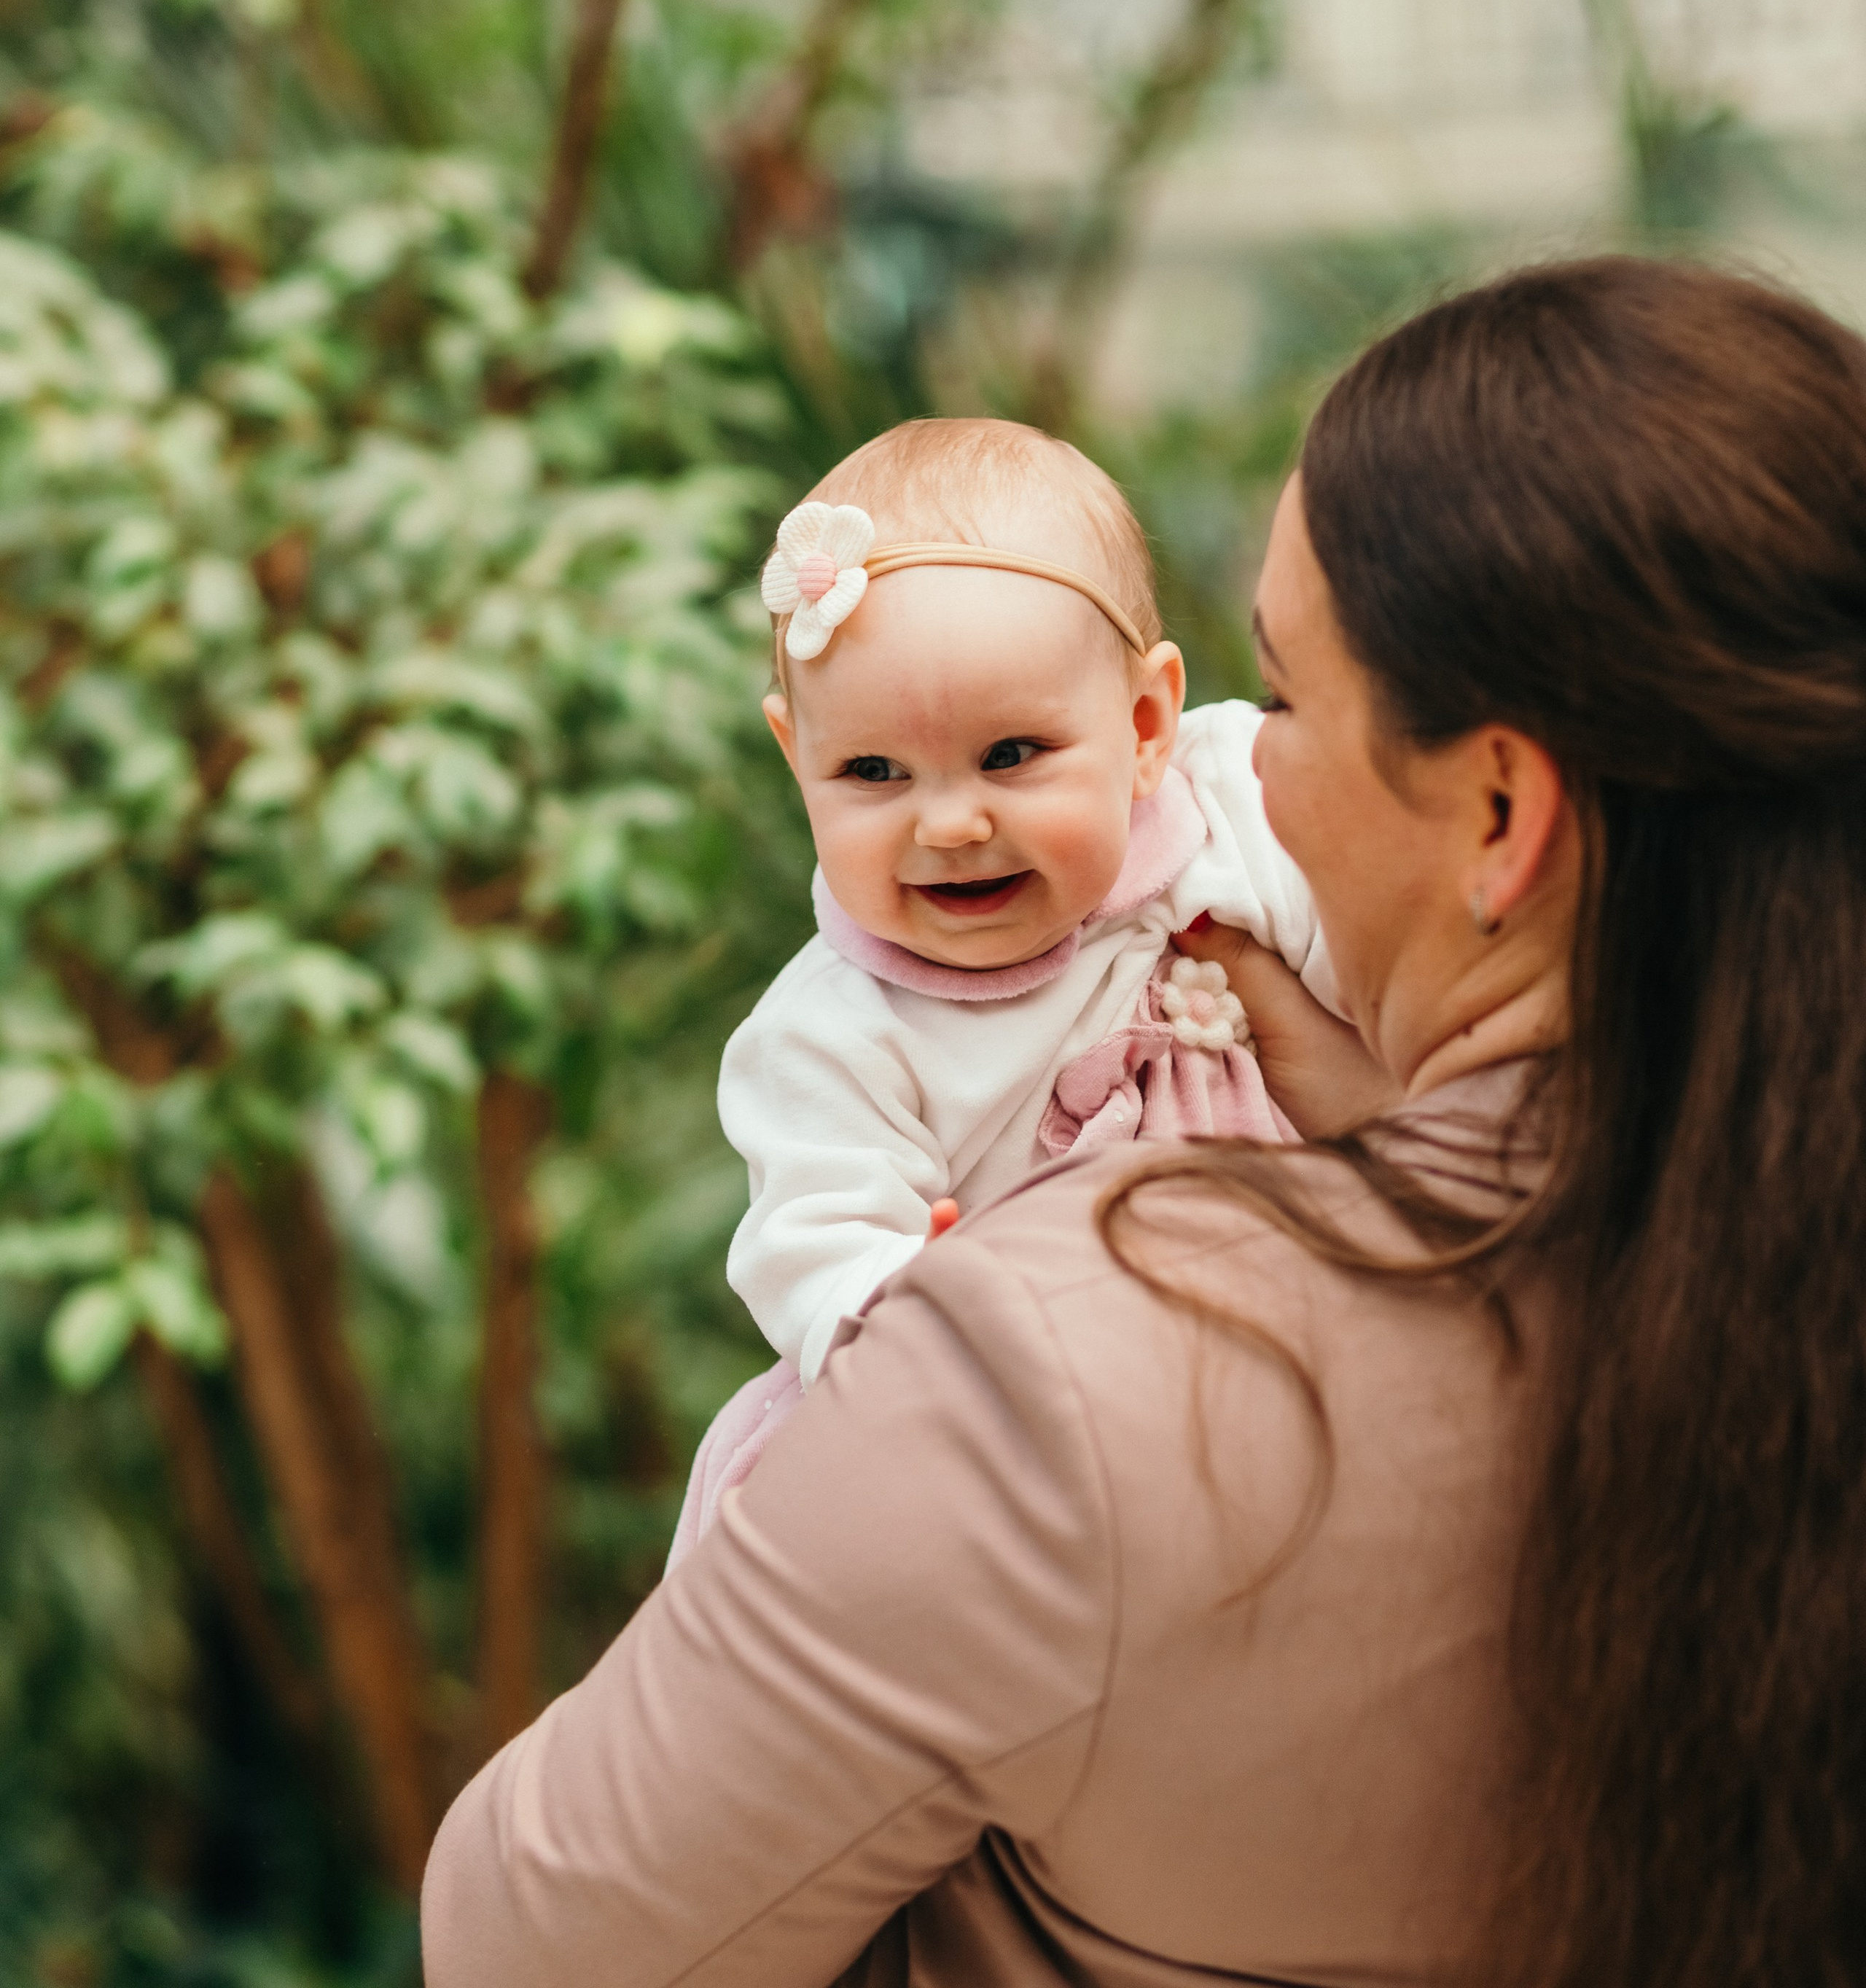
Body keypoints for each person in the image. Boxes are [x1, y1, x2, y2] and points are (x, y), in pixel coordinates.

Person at [423, 257, 1866, 1988]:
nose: (1244, 777)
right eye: (872, 774)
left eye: (1290, 705)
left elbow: (538, 1944)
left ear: (1498, 812)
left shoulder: (1040, 1400)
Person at [672, 418, 1340, 1560]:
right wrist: (922, 1306)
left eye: (1012, 755)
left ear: (1144, 726)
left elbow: (1386, 961)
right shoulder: (836, 1034)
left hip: (1293, 1367)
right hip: (1012, 1445)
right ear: (798, 760)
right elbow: (818, 1254)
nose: (950, 822)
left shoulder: (1227, 812)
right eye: (871, 772)